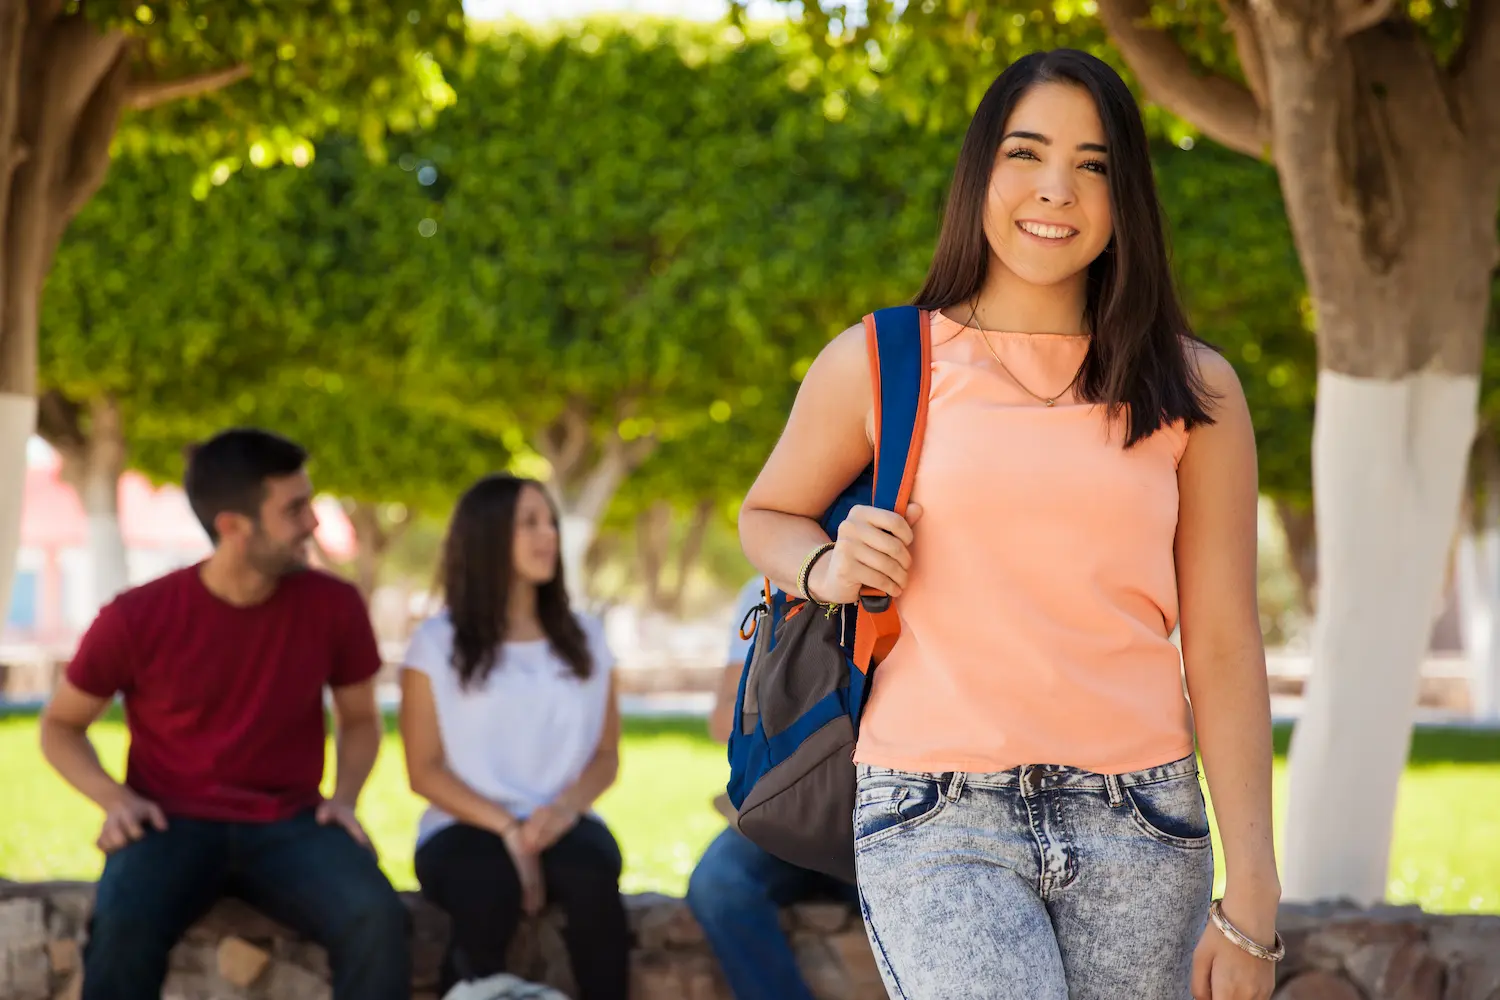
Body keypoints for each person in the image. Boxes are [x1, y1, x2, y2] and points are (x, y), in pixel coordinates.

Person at [738, 49, 1281, 1000]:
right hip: (936, 814)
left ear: (1127, 199)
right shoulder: (883, 359)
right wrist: (826, 563)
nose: (1056, 190)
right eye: (1026, 153)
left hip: (1145, 827)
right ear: (981, 173)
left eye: (1095, 164)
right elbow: (766, 516)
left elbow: (1227, 645)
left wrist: (1255, 898)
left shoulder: (1197, 391)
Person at [38, 428, 408, 1000]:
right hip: (167, 822)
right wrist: (115, 799)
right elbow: (60, 726)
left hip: (292, 823)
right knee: (121, 929)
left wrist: (345, 798)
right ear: (234, 527)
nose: (313, 523)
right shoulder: (137, 616)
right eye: (295, 509)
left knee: (377, 917)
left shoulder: (334, 605)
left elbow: (360, 718)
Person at [400, 474, 628, 1000]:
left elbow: (606, 754)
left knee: (593, 875)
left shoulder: (588, 638)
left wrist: (566, 810)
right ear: (485, 536)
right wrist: (508, 828)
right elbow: (424, 769)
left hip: (564, 819)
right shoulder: (435, 644)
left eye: (548, 520)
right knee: (487, 886)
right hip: (464, 823)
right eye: (528, 523)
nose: (547, 534)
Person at [686, 576, 862, 1000]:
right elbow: (720, 719)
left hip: (881, 818)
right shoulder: (765, 589)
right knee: (719, 886)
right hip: (782, 813)